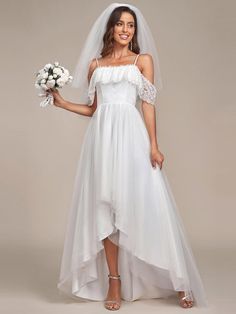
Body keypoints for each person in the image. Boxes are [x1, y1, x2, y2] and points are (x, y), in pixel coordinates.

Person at [48, 2, 208, 311]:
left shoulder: (142, 61)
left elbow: (147, 104)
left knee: (149, 204)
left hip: (131, 137)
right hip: (101, 140)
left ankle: (178, 280)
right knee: (105, 206)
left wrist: (154, 145)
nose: (126, 29)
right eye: (120, 24)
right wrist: (62, 103)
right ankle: (114, 281)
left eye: (131, 25)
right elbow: (94, 110)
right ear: (110, 28)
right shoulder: (96, 65)